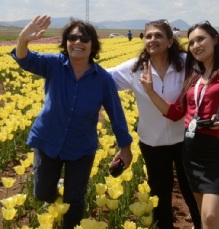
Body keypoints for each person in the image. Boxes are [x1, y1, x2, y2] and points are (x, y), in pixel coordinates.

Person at [108, 19, 219, 229]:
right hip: (151, 141)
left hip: (186, 140)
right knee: (159, 195)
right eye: (148, 36)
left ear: (170, 41)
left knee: (191, 192)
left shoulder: (187, 63)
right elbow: (100, 78)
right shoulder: (135, 68)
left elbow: (217, 63)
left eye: (158, 36)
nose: (152, 39)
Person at [139, 21, 219, 229]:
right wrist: (151, 92)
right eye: (191, 43)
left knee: (211, 216)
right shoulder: (193, 73)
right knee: (202, 217)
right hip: (192, 152)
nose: (196, 45)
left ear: (215, 39)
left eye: (201, 39)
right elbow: (174, 113)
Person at [11, 16, 133, 229]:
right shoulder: (54, 65)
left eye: (84, 38)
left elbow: (116, 114)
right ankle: (57, 189)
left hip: (81, 147)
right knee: (42, 193)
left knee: (75, 201)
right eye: (72, 37)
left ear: (92, 45)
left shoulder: (103, 79)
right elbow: (25, 60)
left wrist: (125, 148)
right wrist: (23, 39)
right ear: (66, 43)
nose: (78, 42)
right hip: (48, 140)